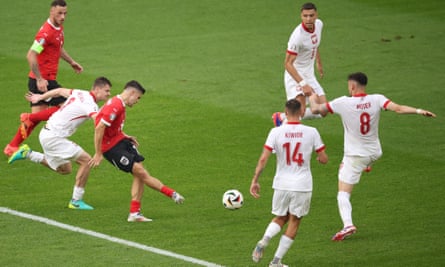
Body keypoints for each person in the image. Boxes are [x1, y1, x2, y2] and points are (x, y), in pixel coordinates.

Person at [309, 72, 436, 241]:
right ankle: (365, 165)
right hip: (375, 152)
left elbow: (317, 109)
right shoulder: (377, 99)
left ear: (352, 86)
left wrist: (310, 95)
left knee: (342, 194)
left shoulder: (343, 102)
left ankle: (348, 225)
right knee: (350, 164)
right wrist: (419, 111)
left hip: (356, 155)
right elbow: (398, 109)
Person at [8, 77, 112, 210]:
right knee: (86, 161)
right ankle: (76, 201)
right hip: (54, 138)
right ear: (97, 89)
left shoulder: (80, 93)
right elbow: (99, 123)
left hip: (46, 134)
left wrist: (40, 98)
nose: (108, 94)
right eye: (106, 91)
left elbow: (59, 91)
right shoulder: (90, 104)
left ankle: (27, 154)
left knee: (65, 169)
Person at [88, 80, 185, 222]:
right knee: (141, 173)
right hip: (111, 148)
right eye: (138, 97)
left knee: (139, 171)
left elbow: (103, 122)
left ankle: (134, 213)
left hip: (120, 141)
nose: (138, 101)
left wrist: (123, 135)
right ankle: (172, 194)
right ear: (132, 93)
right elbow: (99, 128)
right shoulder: (115, 106)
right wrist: (98, 153)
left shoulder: (118, 104)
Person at [250, 99, 328, 267]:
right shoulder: (312, 131)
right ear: (301, 112)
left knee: (281, 216)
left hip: (281, 183)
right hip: (302, 185)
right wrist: (319, 157)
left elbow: (264, 158)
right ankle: (276, 262)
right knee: (294, 220)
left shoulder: (275, 132)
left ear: (285, 113)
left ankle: (265, 239)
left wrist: (255, 180)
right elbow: (323, 158)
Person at [4, 0, 83, 156]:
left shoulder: (58, 28)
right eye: (60, 13)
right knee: (66, 105)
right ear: (51, 11)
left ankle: (11, 147)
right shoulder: (45, 33)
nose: (63, 17)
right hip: (44, 81)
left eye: (65, 13)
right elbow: (31, 55)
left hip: (42, 80)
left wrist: (71, 61)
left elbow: (57, 47)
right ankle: (29, 117)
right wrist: (40, 79)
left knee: (33, 122)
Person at [272, 2, 325, 127]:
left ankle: (282, 116)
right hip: (295, 74)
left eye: (311, 15)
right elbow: (287, 64)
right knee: (298, 112)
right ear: (301, 16)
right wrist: (303, 84)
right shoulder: (298, 37)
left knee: (323, 110)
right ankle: (278, 139)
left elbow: (315, 44)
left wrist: (318, 62)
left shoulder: (319, 25)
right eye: (305, 16)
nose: (308, 19)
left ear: (316, 15)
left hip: (309, 74)